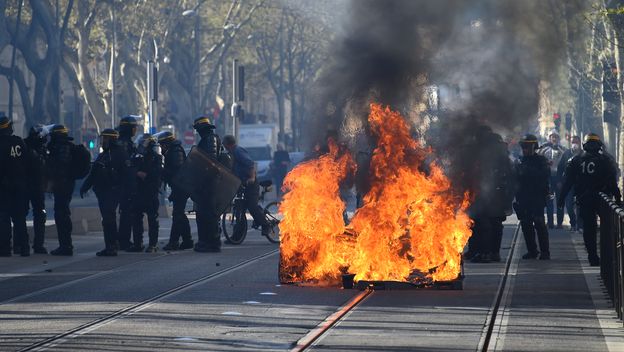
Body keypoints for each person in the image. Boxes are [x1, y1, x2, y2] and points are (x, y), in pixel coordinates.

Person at [559, 133, 621, 266]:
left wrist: (561, 198)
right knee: (607, 228)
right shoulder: (605, 160)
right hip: (602, 199)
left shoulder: (575, 160)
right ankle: (608, 257)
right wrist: (618, 198)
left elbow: (567, 182)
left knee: (589, 229)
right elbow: (612, 182)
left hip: (585, 199)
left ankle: (593, 256)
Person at [467, 128, 515, 263]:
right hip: (484, 193)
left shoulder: (498, 156)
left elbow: (509, 177)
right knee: (480, 223)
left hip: (494, 194)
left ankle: (487, 252)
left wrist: (507, 197)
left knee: (487, 224)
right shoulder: (481, 153)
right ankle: (480, 251)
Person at [80, 129, 130, 256]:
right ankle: (110, 245)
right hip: (103, 192)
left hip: (113, 191)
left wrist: (124, 191)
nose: (103, 142)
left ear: (111, 139)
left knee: (109, 219)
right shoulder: (104, 154)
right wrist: (85, 186)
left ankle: (112, 246)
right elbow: (94, 173)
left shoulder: (119, 154)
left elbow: (126, 175)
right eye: (102, 139)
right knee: (107, 219)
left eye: (105, 139)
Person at [222, 135, 272, 238]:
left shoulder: (238, 151)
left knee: (252, 206)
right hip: (241, 184)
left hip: (251, 184)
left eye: (224, 144)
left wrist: (252, 178)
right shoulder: (230, 153)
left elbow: (250, 164)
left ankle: (266, 225)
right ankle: (237, 236)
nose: (223, 146)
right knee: (239, 209)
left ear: (228, 144)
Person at [514, 134, 551, 260]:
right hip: (523, 198)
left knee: (540, 224)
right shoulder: (519, 161)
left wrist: (527, 171)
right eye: (523, 147)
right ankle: (532, 251)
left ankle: (545, 252)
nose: (524, 149)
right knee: (526, 225)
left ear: (534, 147)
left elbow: (545, 175)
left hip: (537, 198)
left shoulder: (541, 161)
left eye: (527, 147)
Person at [156, 131, 194, 251]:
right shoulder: (172, 151)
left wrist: (162, 171)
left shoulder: (176, 152)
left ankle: (174, 242)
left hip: (181, 188)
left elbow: (177, 171)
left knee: (177, 215)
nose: (161, 147)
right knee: (180, 214)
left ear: (167, 143)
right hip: (179, 187)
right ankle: (187, 240)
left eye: (162, 144)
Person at [0, 116, 29, 257]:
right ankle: (24, 247)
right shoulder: (18, 142)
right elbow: (27, 162)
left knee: (4, 218)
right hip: (20, 186)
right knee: (19, 218)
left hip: (5, 187)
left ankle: (5, 248)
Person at [127, 134, 162, 253]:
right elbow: (130, 169)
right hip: (138, 192)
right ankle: (138, 244)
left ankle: (153, 244)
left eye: (144, 143)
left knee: (152, 219)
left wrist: (146, 175)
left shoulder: (156, 158)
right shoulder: (136, 157)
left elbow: (157, 173)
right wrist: (136, 173)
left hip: (150, 192)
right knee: (136, 218)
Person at [193, 116, 223, 252]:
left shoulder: (210, 139)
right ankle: (205, 241)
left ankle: (212, 242)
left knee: (209, 213)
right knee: (203, 213)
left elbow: (211, 161)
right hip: (206, 182)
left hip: (209, 182)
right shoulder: (207, 139)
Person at [47, 124, 75, 256]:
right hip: (64, 185)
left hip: (63, 185)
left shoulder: (63, 148)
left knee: (61, 214)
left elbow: (60, 166)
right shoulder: (63, 146)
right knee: (62, 213)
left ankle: (65, 245)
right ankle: (65, 244)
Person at [23, 125, 48, 254]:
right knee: (24, 214)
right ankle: (32, 244)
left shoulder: (37, 147)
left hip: (32, 185)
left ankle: (27, 244)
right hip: (30, 185)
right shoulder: (27, 148)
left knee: (25, 214)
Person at [116, 115, 139, 250]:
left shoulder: (126, 142)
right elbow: (127, 165)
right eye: (134, 127)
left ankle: (122, 239)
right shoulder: (124, 144)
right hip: (124, 183)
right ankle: (123, 240)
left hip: (124, 183)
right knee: (126, 213)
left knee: (126, 212)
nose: (135, 130)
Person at [537, 130, 567, 229]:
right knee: (549, 201)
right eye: (552, 137)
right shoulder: (543, 150)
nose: (554, 139)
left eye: (556, 137)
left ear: (558, 138)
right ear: (549, 138)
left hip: (559, 179)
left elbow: (565, 166)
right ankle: (550, 223)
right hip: (548, 179)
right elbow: (539, 163)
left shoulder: (563, 150)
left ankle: (559, 223)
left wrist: (560, 180)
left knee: (560, 201)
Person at [556, 136, 582, 231]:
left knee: (580, 205)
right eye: (573, 142)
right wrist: (559, 181)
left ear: (580, 142)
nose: (575, 144)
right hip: (569, 183)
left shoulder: (583, 154)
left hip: (580, 184)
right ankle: (573, 223)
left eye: (576, 142)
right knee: (569, 205)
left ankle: (579, 225)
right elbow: (560, 168)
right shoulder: (566, 154)